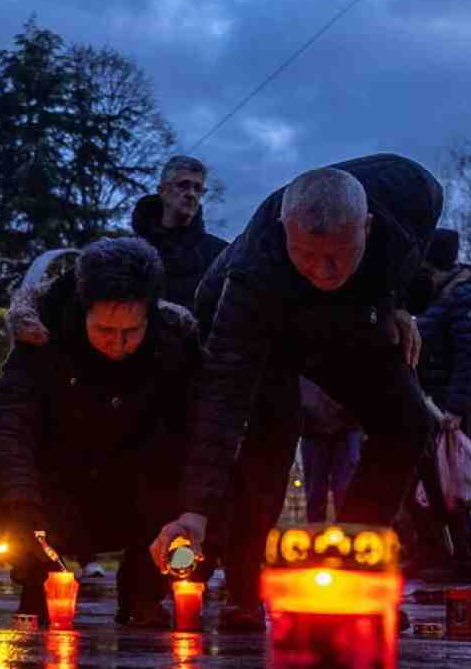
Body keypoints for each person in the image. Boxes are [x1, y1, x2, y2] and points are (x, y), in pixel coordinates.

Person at [154, 155, 442, 628]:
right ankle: (245, 591)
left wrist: (396, 305)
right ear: (286, 230)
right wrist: (195, 511)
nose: (324, 271)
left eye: (338, 253)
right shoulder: (251, 276)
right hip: (268, 326)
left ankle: (349, 568)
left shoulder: (413, 191)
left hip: (350, 315)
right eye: (308, 254)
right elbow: (223, 404)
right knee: (272, 432)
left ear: (367, 226)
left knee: (408, 422)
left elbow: (409, 255)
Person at [0, 238, 202, 626]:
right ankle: (41, 584)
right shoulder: (42, 341)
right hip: (59, 488)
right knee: (16, 501)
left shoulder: (173, 347)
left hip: (139, 490)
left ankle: (144, 591)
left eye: (131, 331)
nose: (118, 344)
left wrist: (190, 511)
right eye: (104, 329)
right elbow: (9, 426)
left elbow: (195, 435)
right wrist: (21, 506)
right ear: (82, 312)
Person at [409, 228, 471, 583]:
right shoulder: (442, 296)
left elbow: (469, 356)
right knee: (426, 480)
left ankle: (460, 557)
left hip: (446, 404)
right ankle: (435, 554)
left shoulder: (462, 297)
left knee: (449, 483)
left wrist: (457, 408)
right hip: (430, 401)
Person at [131, 155, 229, 308]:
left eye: (198, 188)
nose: (191, 194)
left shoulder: (220, 255)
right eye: (183, 185)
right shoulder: (132, 252)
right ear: (162, 190)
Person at [297, 379, 360, 523]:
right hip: (316, 424)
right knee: (319, 494)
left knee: (343, 492)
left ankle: (347, 536)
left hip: (343, 424)